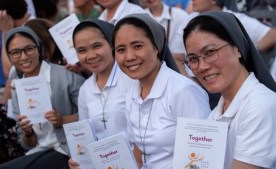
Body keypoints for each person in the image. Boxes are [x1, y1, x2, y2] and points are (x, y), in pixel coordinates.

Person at [0, 26, 85, 169]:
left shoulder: (65, 76)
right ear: (9, 56)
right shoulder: (18, 87)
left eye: (29, 49)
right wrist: (28, 132)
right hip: (39, 151)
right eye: (15, 52)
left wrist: (63, 119)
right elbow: (27, 144)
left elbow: (90, 115)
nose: (24, 56)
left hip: (66, 150)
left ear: (38, 49)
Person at [112, 13, 210, 169]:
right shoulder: (132, 92)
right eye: (121, 49)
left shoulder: (183, 91)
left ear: (156, 46)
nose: (129, 57)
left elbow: (205, 158)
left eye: (138, 46)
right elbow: (138, 156)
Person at [183, 11, 276, 169]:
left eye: (210, 52)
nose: (202, 67)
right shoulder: (216, 114)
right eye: (193, 59)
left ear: (237, 48)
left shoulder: (260, 106)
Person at [68, 18, 138, 169]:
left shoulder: (132, 79)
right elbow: (85, 135)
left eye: (97, 46)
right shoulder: (85, 89)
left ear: (112, 44)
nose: (91, 55)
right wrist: (79, 160)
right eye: (82, 50)